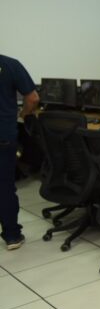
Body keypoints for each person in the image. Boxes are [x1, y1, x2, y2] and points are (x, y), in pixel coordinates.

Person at [0, 54, 39, 250]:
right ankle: (12, 236)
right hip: (4, 136)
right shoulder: (9, 64)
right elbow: (33, 98)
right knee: (4, 186)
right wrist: (23, 113)